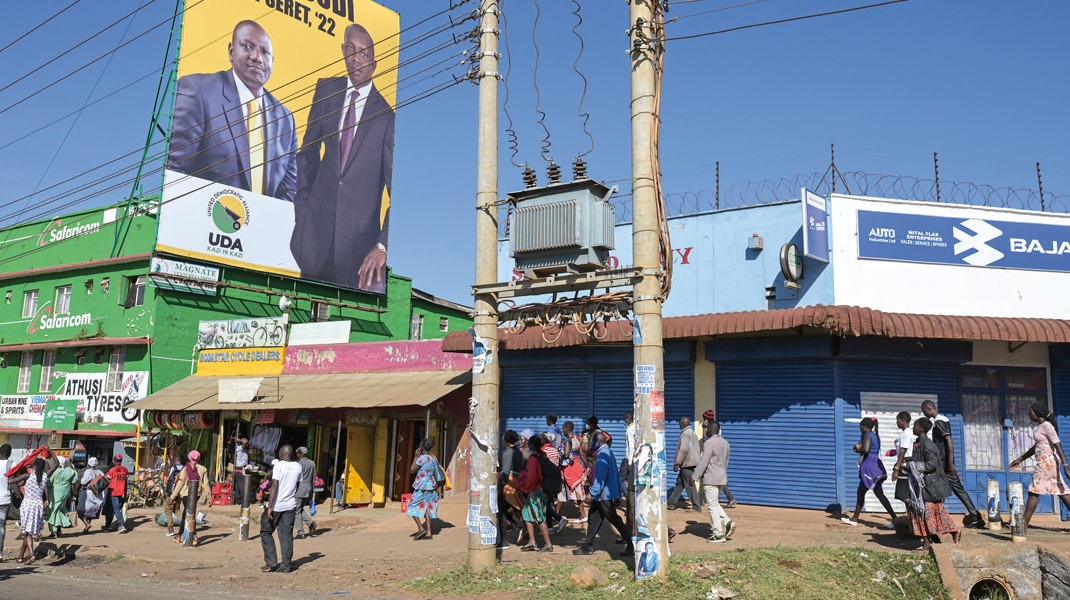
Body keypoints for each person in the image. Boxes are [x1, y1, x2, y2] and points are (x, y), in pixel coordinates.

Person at [290, 23, 395, 292]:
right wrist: (302, 209)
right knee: (301, 309)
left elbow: (397, 189)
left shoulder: (386, 117)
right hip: (313, 236)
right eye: (351, 49)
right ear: (343, 50)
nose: (356, 59)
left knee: (343, 315)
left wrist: (383, 244)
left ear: (374, 64)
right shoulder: (326, 90)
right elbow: (307, 154)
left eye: (364, 54)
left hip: (357, 252)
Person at [167, 21, 298, 200]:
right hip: (206, 214)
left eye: (265, 52)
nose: (257, 57)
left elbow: (288, 194)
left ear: (272, 62)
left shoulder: (286, 120)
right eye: (247, 46)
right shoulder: (198, 91)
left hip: (263, 219)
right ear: (231, 51)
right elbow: (174, 173)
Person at [1010, 403, 1070, 533]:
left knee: (1033, 491)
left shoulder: (1047, 426)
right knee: (1061, 491)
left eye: (1030, 412)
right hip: (1046, 462)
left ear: (1038, 412)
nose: (1029, 415)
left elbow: (1058, 446)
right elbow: (1036, 447)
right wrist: (1020, 459)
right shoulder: (1041, 427)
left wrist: (1066, 467)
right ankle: (1024, 524)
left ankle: (1023, 525)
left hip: (1047, 463)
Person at [922, 400, 983, 527]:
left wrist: (950, 463)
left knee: (950, 490)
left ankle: (975, 517)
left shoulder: (939, 421)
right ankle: (975, 517)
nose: (924, 414)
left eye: (924, 411)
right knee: (948, 490)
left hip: (945, 465)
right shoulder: (941, 420)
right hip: (943, 464)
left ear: (929, 408)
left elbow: (949, 441)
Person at [573, 431, 633, 556]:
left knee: (614, 519)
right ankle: (587, 546)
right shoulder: (609, 452)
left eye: (592, 442)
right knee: (594, 518)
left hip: (603, 494)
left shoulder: (602, 455)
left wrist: (591, 493)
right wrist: (617, 494)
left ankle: (631, 544)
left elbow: (600, 477)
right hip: (604, 494)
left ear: (598, 442)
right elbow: (615, 474)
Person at [907, 418, 959, 553]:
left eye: (915, 426)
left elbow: (932, 464)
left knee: (927, 515)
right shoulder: (919, 444)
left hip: (930, 486)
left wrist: (913, 466)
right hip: (924, 487)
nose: (913, 428)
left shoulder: (927, 445)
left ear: (921, 429)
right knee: (925, 515)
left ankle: (950, 533)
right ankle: (930, 542)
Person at [842, 417, 897, 528]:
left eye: (861, 425)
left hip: (869, 467)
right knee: (862, 492)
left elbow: (866, 450)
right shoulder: (874, 435)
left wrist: (856, 449)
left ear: (865, 426)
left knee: (877, 494)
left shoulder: (867, 436)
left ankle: (895, 520)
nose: (860, 427)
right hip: (873, 465)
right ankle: (855, 518)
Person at [261, 445, 302, 573]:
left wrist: (270, 506)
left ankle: (271, 561)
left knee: (266, 531)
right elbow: (298, 484)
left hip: (276, 505)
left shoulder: (278, 465)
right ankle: (285, 565)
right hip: (290, 505)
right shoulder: (298, 466)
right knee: (286, 535)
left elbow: (275, 485)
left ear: (281, 454)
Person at [693, 419, 734, 543]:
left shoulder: (709, 443)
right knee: (714, 503)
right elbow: (726, 462)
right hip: (722, 478)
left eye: (707, 428)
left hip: (711, 478)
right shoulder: (726, 443)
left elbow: (703, 462)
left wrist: (695, 477)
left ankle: (718, 534)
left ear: (711, 429)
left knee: (711, 506)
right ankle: (727, 522)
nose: (706, 430)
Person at [516, 435, 553, 552]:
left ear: (531, 445)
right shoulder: (543, 455)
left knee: (539, 517)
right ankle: (532, 542)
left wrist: (524, 486)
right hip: (542, 489)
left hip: (535, 491)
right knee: (526, 514)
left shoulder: (533, 458)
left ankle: (548, 544)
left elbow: (531, 476)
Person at [10, 458, 47, 564]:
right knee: (27, 532)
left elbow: (11, 481)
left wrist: (14, 471)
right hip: (38, 505)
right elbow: (56, 463)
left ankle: (31, 554)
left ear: (34, 467)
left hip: (28, 505)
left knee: (27, 532)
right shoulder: (45, 476)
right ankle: (20, 556)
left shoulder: (28, 476)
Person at [405, 439, 442, 541]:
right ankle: (429, 533)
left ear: (421, 448)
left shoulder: (421, 459)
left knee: (411, 506)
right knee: (427, 508)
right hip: (432, 487)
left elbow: (412, 470)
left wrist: (415, 457)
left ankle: (421, 528)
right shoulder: (433, 457)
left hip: (422, 487)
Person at [170, 451, 209, 544]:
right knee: (189, 513)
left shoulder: (185, 468)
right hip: (196, 494)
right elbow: (206, 484)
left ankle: (189, 535)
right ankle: (185, 535)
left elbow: (180, 483)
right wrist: (209, 497)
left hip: (186, 494)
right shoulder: (203, 469)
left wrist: (172, 496)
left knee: (187, 513)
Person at [700, 409, 736, 507]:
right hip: (716, 455)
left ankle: (701, 500)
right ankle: (730, 498)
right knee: (716, 480)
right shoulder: (716, 427)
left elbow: (705, 440)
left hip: (713, 456)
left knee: (706, 477)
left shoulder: (712, 428)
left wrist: (704, 428)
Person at [496, 430, 524, 549]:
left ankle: (504, 541)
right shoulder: (518, 452)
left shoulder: (508, 453)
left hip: (508, 484)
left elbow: (505, 472)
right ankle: (516, 527)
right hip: (516, 482)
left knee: (501, 512)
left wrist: (499, 488)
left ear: (506, 440)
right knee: (507, 510)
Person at [668, 417, 703, 512]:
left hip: (687, 463)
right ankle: (671, 503)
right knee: (680, 483)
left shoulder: (685, 434)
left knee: (690, 485)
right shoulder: (692, 433)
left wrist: (677, 463)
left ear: (684, 423)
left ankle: (696, 506)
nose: (679, 425)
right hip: (691, 462)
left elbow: (683, 449)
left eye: (680, 423)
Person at [557, 421, 588, 525]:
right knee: (577, 490)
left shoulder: (566, 440)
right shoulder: (577, 439)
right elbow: (581, 454)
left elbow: (566, 455)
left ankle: (555, 515)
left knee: (562, 491)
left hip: (569, 468)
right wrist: (587, 466)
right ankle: (582, 514)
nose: (562, 430)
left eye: (563, 428)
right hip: (577, 466)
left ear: (567, 428)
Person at [46, 456, 78, 538]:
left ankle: (54, 532)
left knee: (53, 511)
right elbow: (73, 482)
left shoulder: (55, 472)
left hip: (54, 494)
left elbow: (49, 483)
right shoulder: (71, 471)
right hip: (65, 494)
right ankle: (59, 530)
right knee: (60, 510)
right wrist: (73, 494)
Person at [890, 411, 916, 505]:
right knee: (906, 494)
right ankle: (911, 513)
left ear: (903, 420)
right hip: (903, 462)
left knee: (901, 494)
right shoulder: (904, 433)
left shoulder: (907, 433)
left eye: (897, 420)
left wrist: (896, 469)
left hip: (905, 465)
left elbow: (903, 451)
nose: (896, 422)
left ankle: (916, 507)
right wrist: (894, 452)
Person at [77, 457, 106, 533]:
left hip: (88, 493)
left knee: (80, 511)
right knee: (91, 512)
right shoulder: (100, 472)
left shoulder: (88, 471)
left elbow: (83, 482)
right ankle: (87, 528)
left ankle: (86, 523)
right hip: (97, 494)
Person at [294, 446, 317, 539]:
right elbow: (314, 478)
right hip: (309, 489)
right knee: (300, 509)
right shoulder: (312, 463)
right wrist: (312, 491)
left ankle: (301, 532)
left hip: (300, 490)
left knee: (296, 510)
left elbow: (296, 479)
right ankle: (311, 523)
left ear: (299, 455)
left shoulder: (298, 464)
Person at [162, 454, 187, 537]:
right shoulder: (185, 468)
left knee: (168, 510)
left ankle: (170, 530)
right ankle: (185, 525)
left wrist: (164, 492)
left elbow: (169, 481)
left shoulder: (173, 468)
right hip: (180, 493)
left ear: (175, 461)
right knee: (177, 509)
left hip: (171, 493)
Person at [103, 454, 129, 534]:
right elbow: (126, 482)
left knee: (115, 508)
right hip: (121, 491)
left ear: (114, 461)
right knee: (115, 508)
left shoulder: (112, 470)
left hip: (113, 491)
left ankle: (121, 525)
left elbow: (106, 479)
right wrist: (125, 493)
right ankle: (108, 526)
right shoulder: (125, 469)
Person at [0, 444, 12, 560]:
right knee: (1, 525)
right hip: (4, 499)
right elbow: (13, 481)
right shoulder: (11, 464)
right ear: (10, 453)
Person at [233, 436, 249, 506]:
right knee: (242, 486)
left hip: (238, 468)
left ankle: (237, 501)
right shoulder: (239, 448)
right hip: (240, 469)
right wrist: (239, 440)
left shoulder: (241, 448)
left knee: (237, 486)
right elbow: (245, 441)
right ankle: (244, 501)